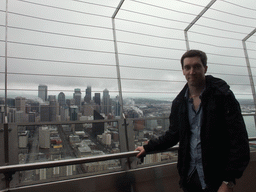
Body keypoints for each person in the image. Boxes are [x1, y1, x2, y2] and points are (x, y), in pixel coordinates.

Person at [135, 50, 250, 192]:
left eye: (197, 66)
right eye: (187, 67)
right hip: (189, 177)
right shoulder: (179, 103)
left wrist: (228, 181)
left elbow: (239, 141)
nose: (192, 71)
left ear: (205, 68)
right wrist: (148, 147)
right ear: (182, 71)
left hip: (217, 179)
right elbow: (173, 134)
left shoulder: (223, 97)